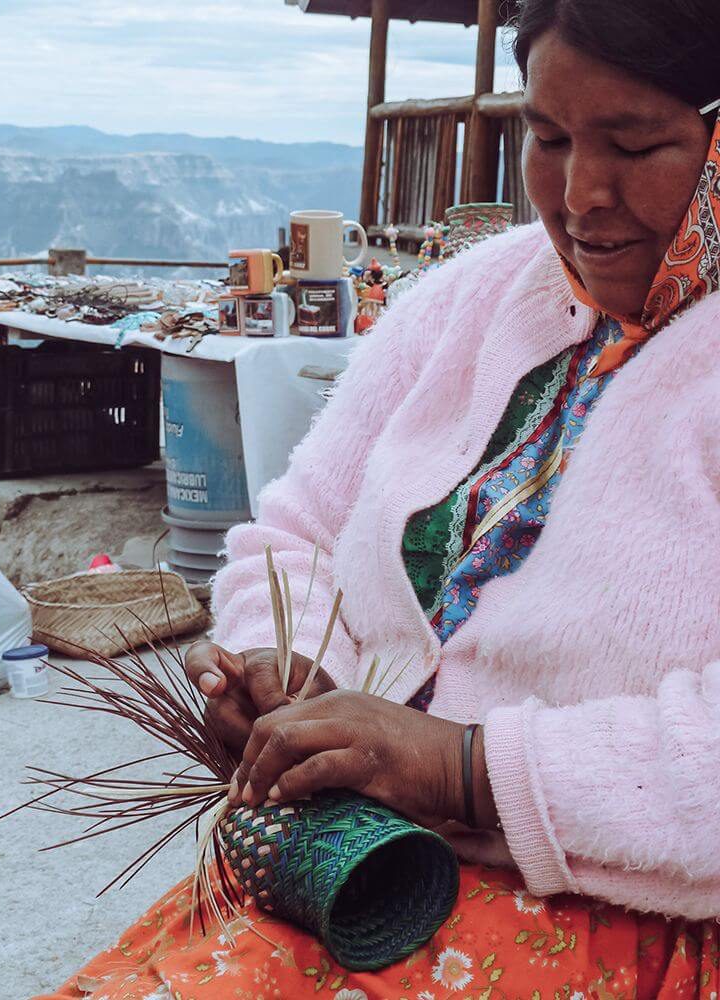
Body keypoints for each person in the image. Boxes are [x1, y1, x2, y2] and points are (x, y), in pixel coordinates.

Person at [40, 1, 720, 996]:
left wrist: (461, 767)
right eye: (546, 138)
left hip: (616, 926)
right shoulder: (470, 299)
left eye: (631, 144)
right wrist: (292, 660)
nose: (578, 196)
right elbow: (295, 527)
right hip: (352, 868)